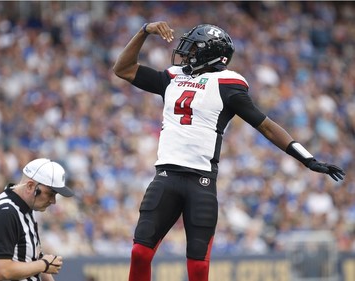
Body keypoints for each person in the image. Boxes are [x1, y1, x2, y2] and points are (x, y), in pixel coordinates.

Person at [113, 21, 345, 281]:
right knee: (139, 253)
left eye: (194, 49)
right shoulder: (172, 77)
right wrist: (144, 31)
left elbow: (266, 126)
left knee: (199, 268)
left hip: (200, 183)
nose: (186, 55)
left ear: (210, 55)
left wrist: (307, 158)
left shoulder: (227, 85)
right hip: (166, 176)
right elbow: (123, 68)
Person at [0, 158, 74, 281]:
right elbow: (2, 270)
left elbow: (34, 258)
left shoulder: (26, 207)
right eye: (50, 193)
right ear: (30, 186)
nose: (53, 201)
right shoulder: (6, 213)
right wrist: (44, 265)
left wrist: (44, 266)